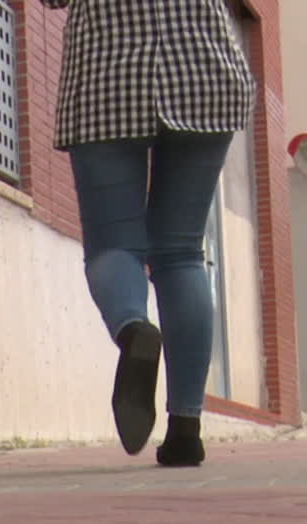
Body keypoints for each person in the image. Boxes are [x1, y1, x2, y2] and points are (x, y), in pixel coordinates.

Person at [41, 0, 256, 466]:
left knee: (114, 245)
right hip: (205, 72)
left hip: (108, 77)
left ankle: (134, 329)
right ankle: (185, 430)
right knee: (181, 254)